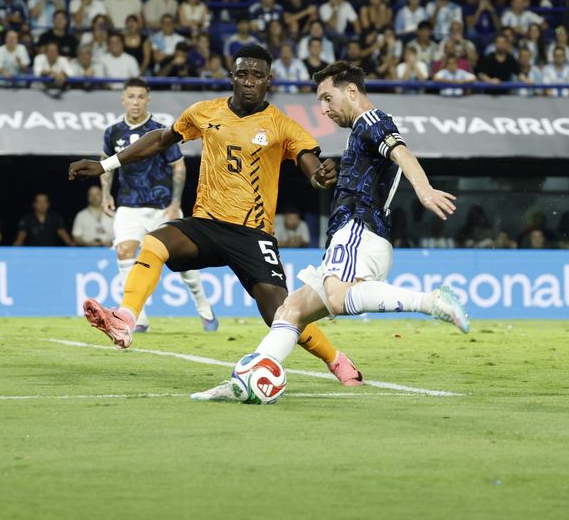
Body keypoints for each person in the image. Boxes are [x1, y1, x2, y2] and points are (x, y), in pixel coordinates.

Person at [70, 44, 362, 385]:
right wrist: (106, 164)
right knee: (155, 242)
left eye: (257, 76)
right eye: (243, 74)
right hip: (206, 224)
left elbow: (310, 166)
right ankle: (125, 318)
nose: (249, 81)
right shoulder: (204, 112)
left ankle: (337, 361)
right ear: (231, 77)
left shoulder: (282, 126)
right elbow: (160, 140)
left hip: (253, 234)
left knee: (280, 314)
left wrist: (320, 177)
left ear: (269, 80)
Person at [190, 61, 468, 400]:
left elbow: (403, 154)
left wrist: (424, 191)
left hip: (358, 229)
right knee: (291, 311)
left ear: (351, 91)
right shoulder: (362, 129)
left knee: (337, 297)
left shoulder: (372, 120)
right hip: (356, 235)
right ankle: (246, 381)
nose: (323, 109)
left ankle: (430, 301)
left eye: (327, 98)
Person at [97, 78, 217, 332]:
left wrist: (175, 204)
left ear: (147, 100)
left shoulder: (161, 131)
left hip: (163, 207)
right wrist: (106, 194)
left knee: (184, 262)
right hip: (129, 206)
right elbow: (106, 163)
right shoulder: (113, 132)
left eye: (141, 97)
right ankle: (137, 317)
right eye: (131, 96)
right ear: (123, 99)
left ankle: (204, 308)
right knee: (124, 252)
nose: (136, 102)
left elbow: (178, 167)